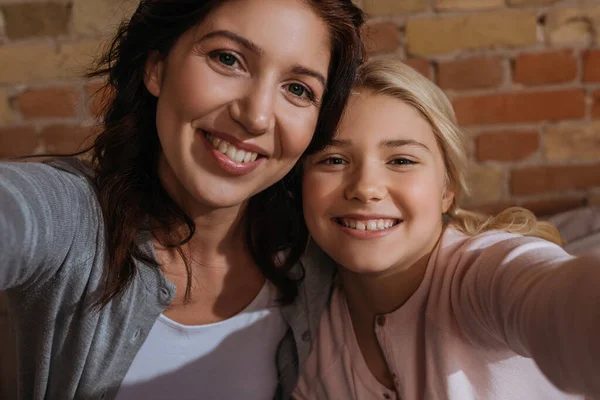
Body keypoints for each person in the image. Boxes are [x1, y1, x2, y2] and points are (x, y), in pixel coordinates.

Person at [0, 1, 365, 399]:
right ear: (157, 68)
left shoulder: (317, 258)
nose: (256, 116)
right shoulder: (71, 217)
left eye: (298, 89)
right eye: (228, 59)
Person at [294, 58, 600, 399]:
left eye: (401, 161)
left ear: (447, 189)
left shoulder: (482, 274)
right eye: (333, 160)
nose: (366, 188)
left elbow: (552, 297)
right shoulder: (305, 327)